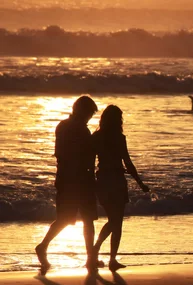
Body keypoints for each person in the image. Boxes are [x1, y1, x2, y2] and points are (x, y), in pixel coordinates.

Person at [35, 95, 99, 275]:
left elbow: (59, 155)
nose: (89, 118)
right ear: (82, 111)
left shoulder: (62, 126)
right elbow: (83, 157)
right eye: (89, 114)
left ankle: (45, 246)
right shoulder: (80, 130)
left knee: (67, 218)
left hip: (66, 178)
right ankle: (89, 258)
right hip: (78, 179)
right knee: (86, 219)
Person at [92, 105, 149, 271]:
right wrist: (140, 183)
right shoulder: (119, 137)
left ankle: (101, 252)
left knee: (113, 220)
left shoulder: (97, 136)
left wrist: (90, 180)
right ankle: (110, 258)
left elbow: (89, 160)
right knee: (116, 222)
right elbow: (128, 163)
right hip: (116, 180)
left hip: (102, 179)